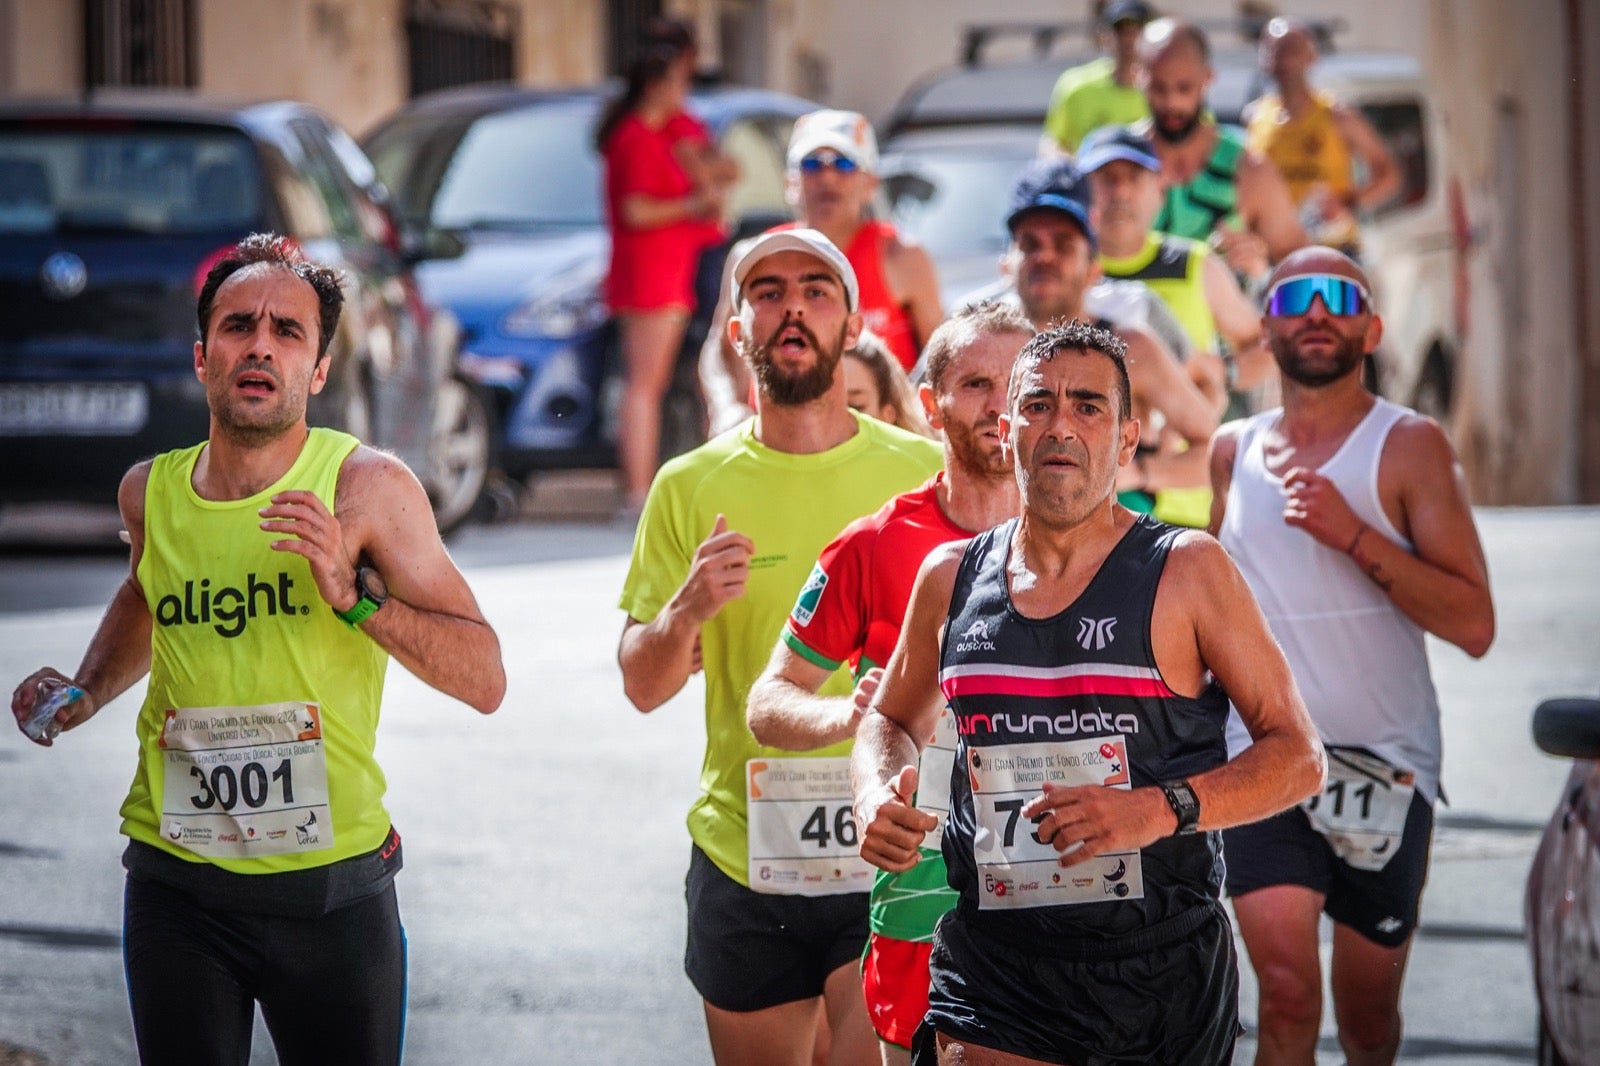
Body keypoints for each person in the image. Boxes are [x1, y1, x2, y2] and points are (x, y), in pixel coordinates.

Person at [8, 234, 506, 1065]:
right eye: (239, 326)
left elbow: (484, 675)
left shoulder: (366, 489)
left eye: (288, 331)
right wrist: (87, 691)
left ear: (318, 369)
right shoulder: (149, 492)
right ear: (203, 358)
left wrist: (354, 600)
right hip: (177, 887)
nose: (261, 345)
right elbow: (146, 593)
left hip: (332, 892)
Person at [851, 319, 1326, 1065]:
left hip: (1156, 967)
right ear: (1008, 430)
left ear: (1128, 439)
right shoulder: (951, 578)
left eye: (1088, 407)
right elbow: (890, 716)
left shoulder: (1188, 571)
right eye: (1038, 405)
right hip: (997, 961)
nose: (1060, 426)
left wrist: (1155, 810)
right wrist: (875, 792)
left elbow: (1299, 755)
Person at [617, 228, 942, 1066]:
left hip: (894, 837)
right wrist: (685, 610)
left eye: (816, 290)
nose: (792, 306)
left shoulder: (923, 473)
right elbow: (644, 686)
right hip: (745, 846)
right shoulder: (689, 484)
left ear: (852, 321)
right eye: (766, 292)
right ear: (737, 332)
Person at [1207, 247, 1495, 1066]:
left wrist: (1354, 535)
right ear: (1266, 326)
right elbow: (1206, 601)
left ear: (1370, 328)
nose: (1317, 313)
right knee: (1289, 995)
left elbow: (1474, 624)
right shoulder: (1233, 451)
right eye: (1295, 296)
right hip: (1262, 757)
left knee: (1368, 1020)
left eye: (1340, 297)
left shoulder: (1409, 447)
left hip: (1386, 766)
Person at [748, 302, 1034, 1065]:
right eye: (977, 383)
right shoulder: (873, 544)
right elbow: (768, 704)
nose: (1002, 403)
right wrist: (855, 715)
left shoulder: (1107, 541)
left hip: (1061, 868)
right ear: (931, 406)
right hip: (925, 877)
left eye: (1020, 384)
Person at [996, 157, 1222, 516]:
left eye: (1064, 244)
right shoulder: (979, 344)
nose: (1045, 257)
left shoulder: (1132, 348)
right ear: (1006, 264)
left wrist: (1142, 473)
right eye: (1030, 244)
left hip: (1121, 561)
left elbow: (1217, 450)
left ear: (1094, 269)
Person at [701, 109, 943, 431]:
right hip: (778, 442)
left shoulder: (902, 257)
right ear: (790, 182)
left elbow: (940, 360)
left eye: (844, 164)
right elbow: (719, 350)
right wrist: (725, 407)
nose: (827, 178)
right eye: (812, 165)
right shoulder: (755, 257)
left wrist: (915, 424)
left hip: (879, 443)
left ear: (870, 183)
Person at [1077, 123, 1270, 525]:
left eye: (1134, 178)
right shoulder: (1065, 277)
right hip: (1083, 509)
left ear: (1159, 188)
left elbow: (1265, 345)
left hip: (1180, 507)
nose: (1121, 192)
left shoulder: (1193, 265)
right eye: (1106, 179)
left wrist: (1226, 372)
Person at [597, 18, 738, 514]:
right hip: (650, 272)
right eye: (678, 81)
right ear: (658, 84)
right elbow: (636, 209)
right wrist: (692, 206)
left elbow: (721, 170)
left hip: (673, 268)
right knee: (645, 385)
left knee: (679, 380)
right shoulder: (635, 136)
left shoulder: (666, 132)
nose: (686, 90)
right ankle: (636, 491)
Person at [1137, 19, 1307, 286]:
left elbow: (1300, 271)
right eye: (1159, 88)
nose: (1172, 102)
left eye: (1184, 87)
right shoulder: (1116, 165)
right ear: (1140, 78)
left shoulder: (1249, 169)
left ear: (1208, 78)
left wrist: (1261, 268)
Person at [1245, 18, 1402, 257]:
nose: (1284, 60)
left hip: (1332, 250)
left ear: (1311, 57)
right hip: (1276, 253)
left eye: (1292, 50)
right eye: (1275, 51)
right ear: (1264, 60)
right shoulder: (1256, 117)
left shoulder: (1338, 116)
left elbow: (1389, 174)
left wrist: (1349, 205)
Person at [1040, 0, 1155, 155]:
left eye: (1137, 28)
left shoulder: (1166, 89)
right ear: (1105, 35)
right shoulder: (1076, 86)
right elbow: (1052, 144)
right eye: (1120, 29)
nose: (1129, 38)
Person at [843, 330, 936, 438]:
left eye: (855, 408)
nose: (836, 421)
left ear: (887, 415)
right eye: (820, 405)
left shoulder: (929, 453)